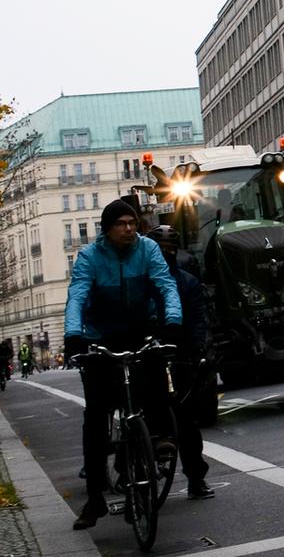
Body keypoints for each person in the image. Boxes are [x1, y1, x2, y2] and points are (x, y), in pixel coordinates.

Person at [64, 199, 182, 530]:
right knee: (96, 417)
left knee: (157, 376)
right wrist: (74, 335)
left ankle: (157, 437)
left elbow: (166, 284)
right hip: (102, 337)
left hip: (140, 330)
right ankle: (94, 499)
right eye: (121, 224)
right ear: (107, 229)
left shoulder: (147, 250)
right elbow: (78, 295)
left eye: (132, 222)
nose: (129, 228)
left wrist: (172, 322)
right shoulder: (90, 257)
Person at [146, 225, 214, 500]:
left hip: (181, 352)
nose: (166, 254)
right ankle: (132, 469)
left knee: (186, 421)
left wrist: (198, 349)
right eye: (161, 250)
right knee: (145, 410)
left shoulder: (186, 282)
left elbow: (198, 318)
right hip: (150, 351)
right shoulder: (143, 281)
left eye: (169, 250)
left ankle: (196, 478)